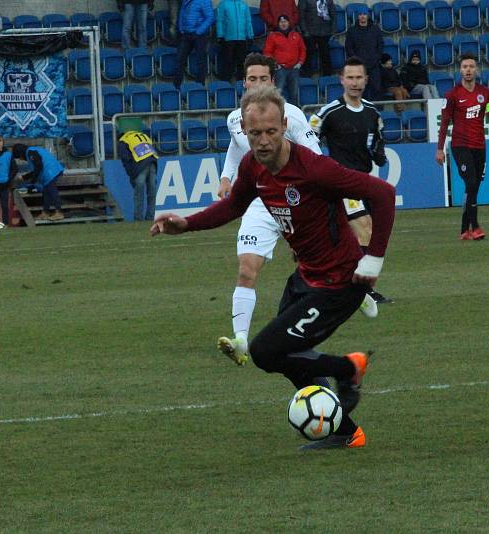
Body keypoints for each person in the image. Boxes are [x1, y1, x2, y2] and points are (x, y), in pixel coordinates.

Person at [151, 85, 396, 450]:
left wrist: (373, 258)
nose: (263, 141)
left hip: (340, 283)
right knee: (286, 358)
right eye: (254, 134)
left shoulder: (314, 169)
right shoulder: (253, 166)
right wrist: (187, 223)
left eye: (270, 132)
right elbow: (232, 206)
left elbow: (383, 194)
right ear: (244, 132)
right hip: (306, 277)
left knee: (266, 352)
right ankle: (346, 428)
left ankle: (348, 370)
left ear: (284, 125)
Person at [215, 53, 378, 368]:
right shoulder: (236, 119)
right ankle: (240, 341)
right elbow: (236, 148)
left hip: (297, 200)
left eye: (264, 79)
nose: (257, 84)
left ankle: (354, 291)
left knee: (318, 266)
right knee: (246, 269)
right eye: (252, 79)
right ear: (244, 82)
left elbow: (316, 156)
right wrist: (226, 177)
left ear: (272, 82)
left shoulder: (290, 116)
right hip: (260, 201)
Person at [310, 56, 392, 304]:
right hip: (341, 183)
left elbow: (379, 134)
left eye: (359, 77)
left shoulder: (371, 111)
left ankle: (339, 284)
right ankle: (363, 291)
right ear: (342, 80)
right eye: (350, 77)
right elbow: (308, 134)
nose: (355, 82)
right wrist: (320, 164)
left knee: (350, 237)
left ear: (366, 80)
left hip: (364, 180)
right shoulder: (330, 111)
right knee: (365, 228)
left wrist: (379, 151)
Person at [436, 53, 489, 241]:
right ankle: (477, 227)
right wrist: (440, 149)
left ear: (476, 69)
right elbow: (444, 123)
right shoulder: (452, 95)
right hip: (460, 146)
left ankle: (465, 229)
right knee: (471, 183)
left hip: (480, 146)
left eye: (471, 66)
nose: (468, 70)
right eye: (465, 67)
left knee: (473, 188)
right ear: (460, 70)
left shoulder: (485, 93)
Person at [12, 143, 65, 221]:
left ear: (21, 154)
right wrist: (25, 177)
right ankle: (45, 213)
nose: (21, 159)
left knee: (52, 190)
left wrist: (32, 180)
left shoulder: (30, 152)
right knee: (46, 192)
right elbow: (36, 169)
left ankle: (59, 212)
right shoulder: (31, 151)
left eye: (20, 157)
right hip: (50, 169)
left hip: (50, 170)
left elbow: (38, 166)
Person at [263, 14, 306, 107]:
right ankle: (276, 111)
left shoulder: (296, 35)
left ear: (288, 23)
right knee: (278, 92)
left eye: (285, 21)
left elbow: (303, 49)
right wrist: (275, 65)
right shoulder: (273, 36)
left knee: (294, 93)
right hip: (280, 69)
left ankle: (294, 112)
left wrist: (300, 62)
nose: (283, 24)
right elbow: (267, 52)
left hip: (294, 68)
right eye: (281, 22)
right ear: (278, 24)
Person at [344, 4, 383, 100]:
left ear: (368, 15)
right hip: (359, 67)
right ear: (357, 16)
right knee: (361, 91)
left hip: (374, 65)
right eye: (360, 14)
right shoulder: (352, 31)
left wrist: (376, 59)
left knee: (376, 89)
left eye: (364, 14)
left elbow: (380, 46)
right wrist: (357, 62)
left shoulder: (375, 30)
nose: (362, 16)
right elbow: (349, 48)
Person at [118, 130, 157, 221]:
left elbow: (126, 159)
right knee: (152, 192)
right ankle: (150, 217)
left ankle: (138, 218)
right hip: (153, 162)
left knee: (139, 192)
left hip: (140, 165)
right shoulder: (143, 135)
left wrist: (131, 175)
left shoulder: (123, 141)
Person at [174, 0, 215, 88]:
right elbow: (182, 13)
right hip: (186, 34)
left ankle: (200, 85)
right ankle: (176, 86)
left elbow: (210, 17)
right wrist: (181, 29)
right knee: (179, 59)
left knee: (200, 61)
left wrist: (199, 31)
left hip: (199, 35)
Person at [216, 0, 253, 83]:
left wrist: (250, 35)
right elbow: (220, 20)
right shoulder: (223, 4)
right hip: (228, 38)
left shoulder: (244, 4)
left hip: (242, 38)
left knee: (242, 62)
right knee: (228, 61)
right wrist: (220, 35)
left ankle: (241, 83)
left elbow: (248, 21)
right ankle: (225, 83)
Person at [297, 0, 335, 77]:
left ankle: (327, 77)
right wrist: (304, 31)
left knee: (325, 55)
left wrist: (333, 31)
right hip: (310, 32)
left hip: (325, 32)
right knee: (308, 55)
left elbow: (333, 14)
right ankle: (306, 77)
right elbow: (301, 16)